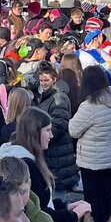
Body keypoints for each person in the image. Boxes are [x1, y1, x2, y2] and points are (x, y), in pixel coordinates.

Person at [0, 108, 89, 222]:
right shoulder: (26, 165)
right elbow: (38, 214)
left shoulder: (17, 157)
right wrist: (73, 216)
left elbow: (41, 202)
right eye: (48, 130)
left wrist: (65, 207)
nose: (51, 135)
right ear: (35, 133)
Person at [69, 66, 111, 222]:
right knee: (106, 197)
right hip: (110, 156)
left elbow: (73, 130)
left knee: (93, 201)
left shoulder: (89, 107)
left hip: (92, 160)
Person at [30, 62, 79, 193]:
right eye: (41, 80)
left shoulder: (59, 97)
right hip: (52, 152)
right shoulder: (43, 96)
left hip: (58, 151)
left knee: (58, 193)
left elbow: (58, 125)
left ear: (54, 79)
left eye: (46, 80)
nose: (43, 83)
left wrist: (39, 138)